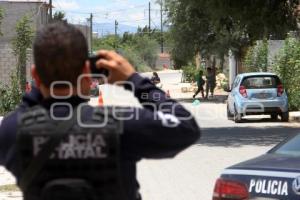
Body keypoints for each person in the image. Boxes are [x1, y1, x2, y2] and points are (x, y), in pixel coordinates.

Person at [0, 22, 200, 200]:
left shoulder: (11, 131)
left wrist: (46, 79)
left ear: (35, 75)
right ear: (87, 72)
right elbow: (185, 125)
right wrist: (134, 81)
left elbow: (25, 108)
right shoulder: (120, 123)